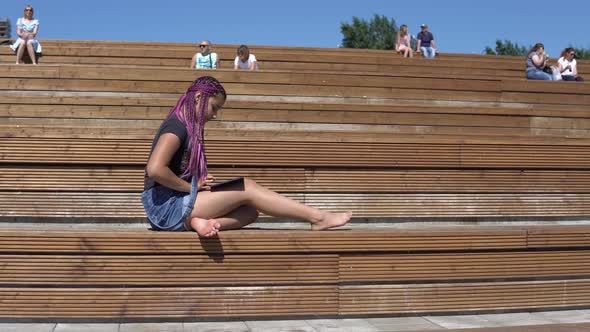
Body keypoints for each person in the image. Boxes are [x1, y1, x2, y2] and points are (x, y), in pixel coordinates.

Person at [142, 76, 352, 237]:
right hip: (164, 208)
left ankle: (196, 222)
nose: (215, 115)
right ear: (198, 98)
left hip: (174, 205)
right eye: (214, 107)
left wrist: (197, 184)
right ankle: (318, 217)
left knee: (250, 211)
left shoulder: (187, 127)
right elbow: (155, 169)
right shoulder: (176, 126)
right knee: (247, 187)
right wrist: (192, 188)